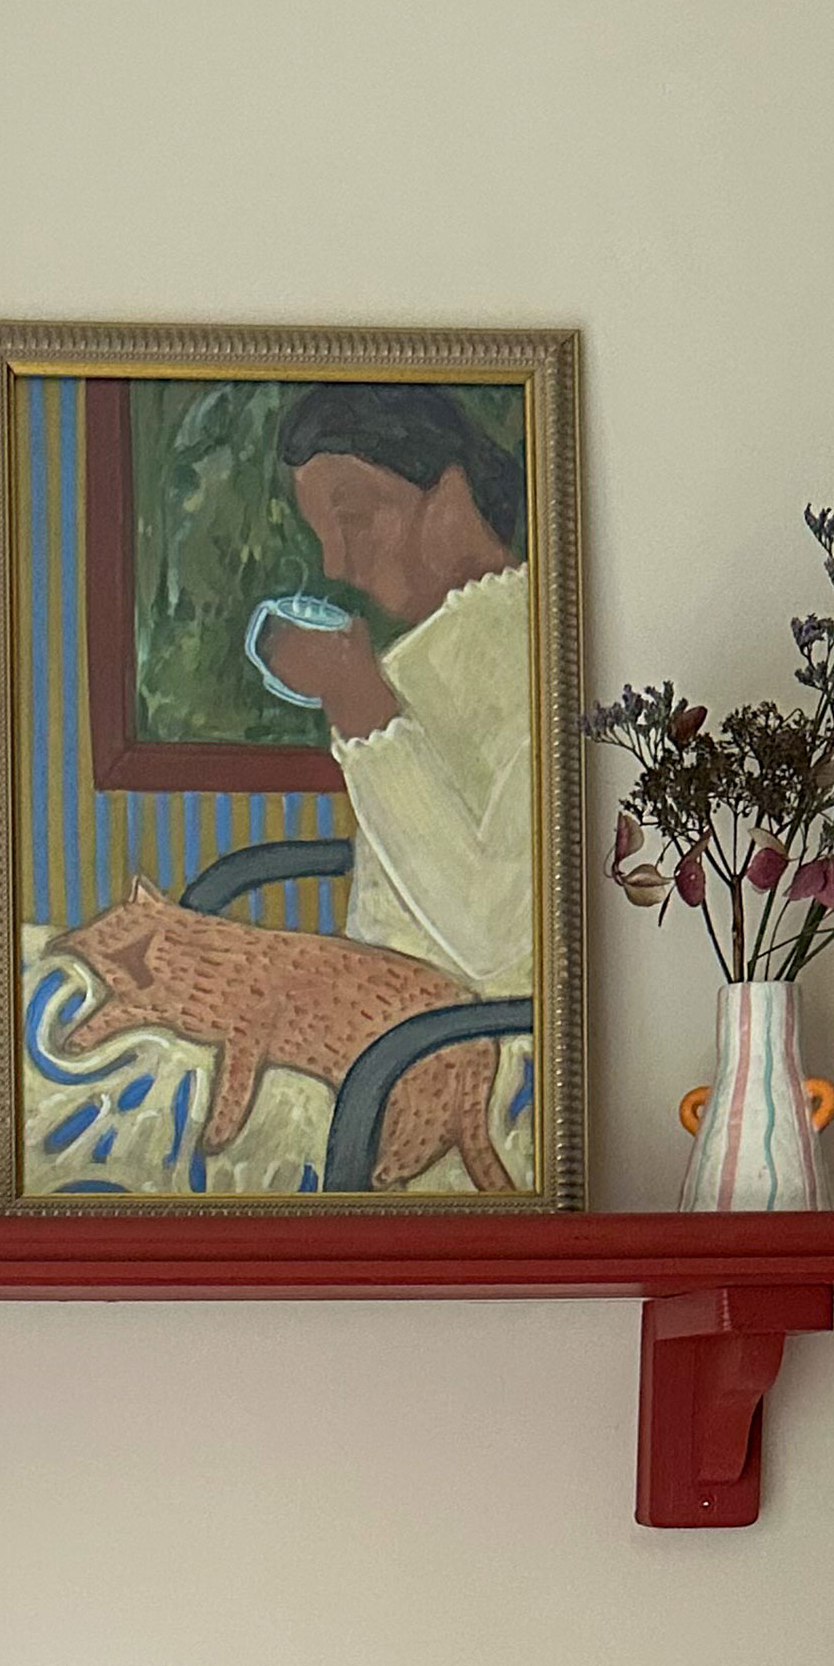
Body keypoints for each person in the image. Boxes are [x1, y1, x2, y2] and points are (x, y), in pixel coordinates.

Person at [259, 384, 537, 1181]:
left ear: (449, 493)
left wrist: (358, 704)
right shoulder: (422, 658)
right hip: (380, 1028)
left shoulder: (537, 656)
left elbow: (493, 935)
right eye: (323, 534)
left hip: (449, 1064)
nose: (336, 564)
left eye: (353, 519)